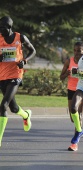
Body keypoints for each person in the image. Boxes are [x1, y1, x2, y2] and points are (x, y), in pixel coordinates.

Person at [0, 16, 36, 147]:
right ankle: (26, 115)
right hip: (2, 76)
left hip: (16, 74)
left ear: (9, 27)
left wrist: (24, 60)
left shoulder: (20, 37)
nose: (0, 30)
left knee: (3, 105)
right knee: (13, 108)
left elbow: (33, 50)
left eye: (2, 28)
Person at [60, 41, 83, 151]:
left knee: (78, 114)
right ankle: (79, 131)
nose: (76, 53)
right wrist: (67, 73)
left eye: (79, 51)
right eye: (75, 50)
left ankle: (75, 143)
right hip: (71, 89)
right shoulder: (68, 61)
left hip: (82, 89)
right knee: (72, 117)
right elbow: (61, 77)